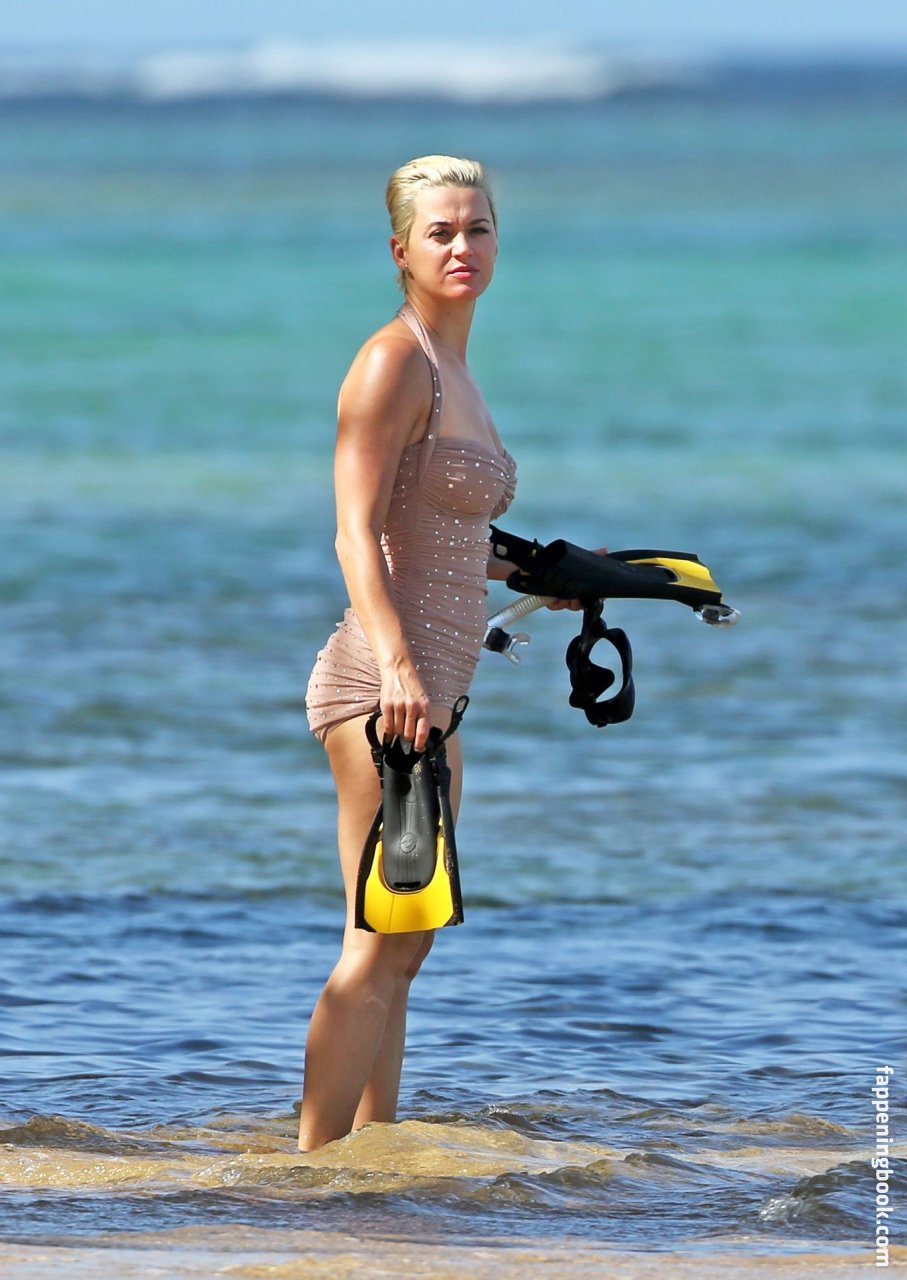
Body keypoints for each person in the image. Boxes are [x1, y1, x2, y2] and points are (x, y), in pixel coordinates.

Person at [300, 155, 577, 1152]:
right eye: (441, 232)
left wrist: (549, 570)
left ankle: (373, 1156)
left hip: (434, 695)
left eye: (478, 228)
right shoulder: (393, 362)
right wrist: (399, 671)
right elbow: (354, 533)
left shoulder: (455, 369)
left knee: (406, 945)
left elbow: (442, 530)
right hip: (382, 688)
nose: (463, 246)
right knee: (377, 941)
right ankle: (310, 1172)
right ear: (400, 251)